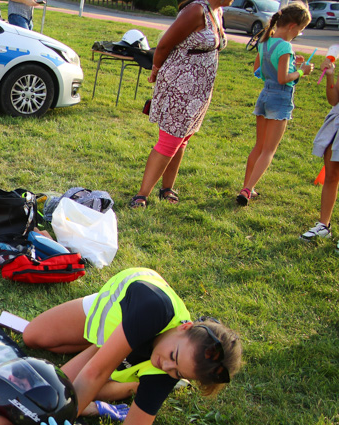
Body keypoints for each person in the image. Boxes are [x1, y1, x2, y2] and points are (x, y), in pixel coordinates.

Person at [22, 268, 242, 425]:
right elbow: (94, 373)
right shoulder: (153, 309)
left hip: (122, 342)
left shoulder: (166, 372)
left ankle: (124, 374)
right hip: (110, 311)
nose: (165, 367)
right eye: (173, 357)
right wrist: (66, 419)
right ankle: (112, 355)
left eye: (178, 373)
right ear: (184, 327)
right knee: (32, 336)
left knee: (61, 389)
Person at [129, 0, 231, 208]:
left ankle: (167, 188)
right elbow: (166, 43)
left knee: (182, 138)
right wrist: (156, 68)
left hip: (199, 89)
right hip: (180, 85)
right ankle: (141, 195)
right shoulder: (196, 10)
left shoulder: (217, 12)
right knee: (170, 140)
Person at [238, 3, 313, 206]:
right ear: (292, 26)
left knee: (259, 146)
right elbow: (283, 78)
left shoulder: (265, 42)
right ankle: (247, 190)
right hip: (279, 99)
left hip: (264, 96)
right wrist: (301, 71)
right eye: (300, 30)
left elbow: (258, 70)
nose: (299, 34)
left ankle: (247, 186)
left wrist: (290, 64)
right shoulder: (285, 46)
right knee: (269, 150)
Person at [300, 56, 339, 249]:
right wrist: (330, 77)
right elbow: (334, 99)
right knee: (331, 176)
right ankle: (324, 225)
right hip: (337, 125)